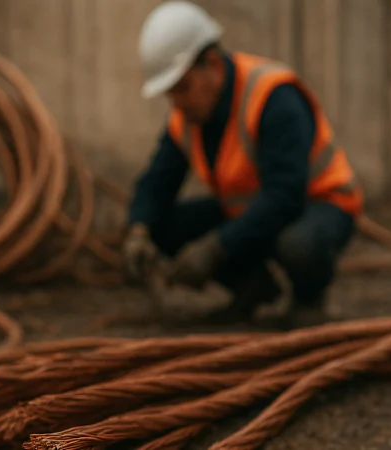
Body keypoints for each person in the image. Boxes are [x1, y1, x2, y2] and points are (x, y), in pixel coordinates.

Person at [121, 1, 364, 327]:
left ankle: (309, 300)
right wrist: (139, 230)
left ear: (212, 64)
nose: (176, 102)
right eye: (170, 93)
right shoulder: (188, 118)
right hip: (255, 211)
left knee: (298, 244)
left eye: (181, 87)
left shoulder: (273, 97)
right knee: (163, 225)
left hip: (319, 204)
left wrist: (215, 249)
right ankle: (254, 288)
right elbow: (157, 182)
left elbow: (285, 197)